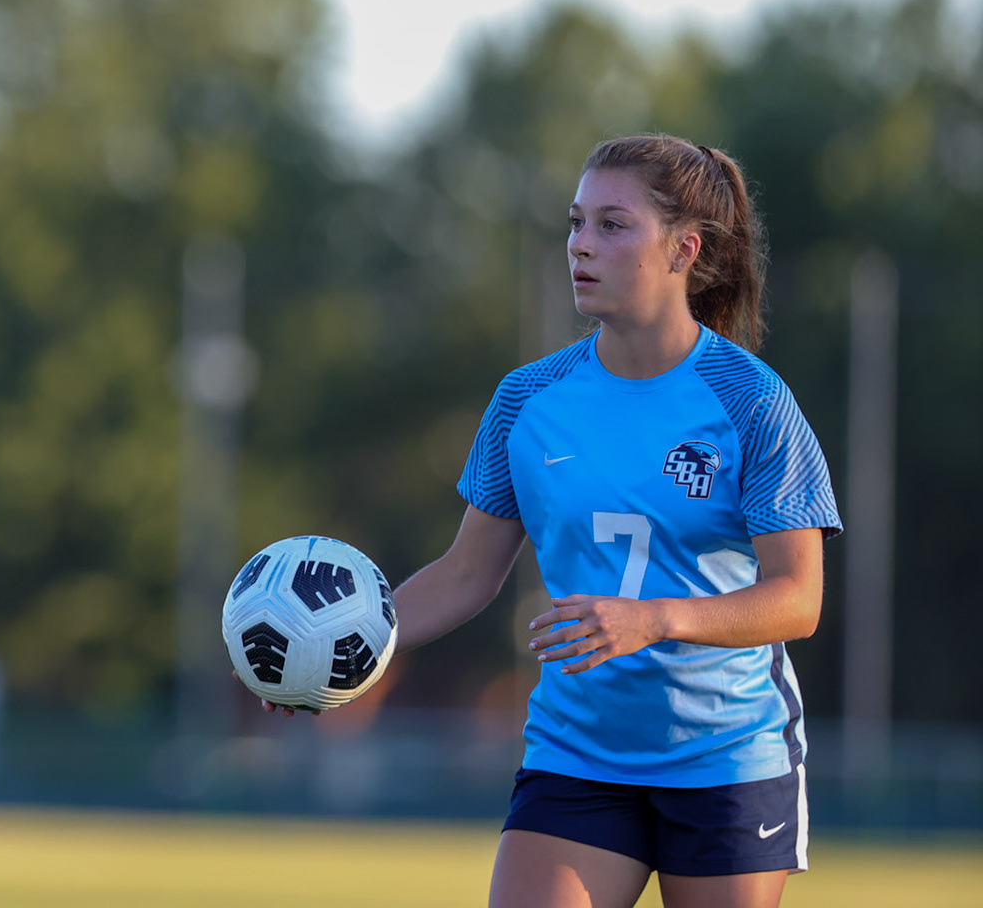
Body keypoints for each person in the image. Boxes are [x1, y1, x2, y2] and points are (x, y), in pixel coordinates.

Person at [262, 135, 839, 908]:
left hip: (727, 757)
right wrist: (335, 651)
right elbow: (465, 575)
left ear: (683, 249)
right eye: (575, 224)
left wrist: (654, 619)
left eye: (612, 225)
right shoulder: (527, 401)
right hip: (578, 755)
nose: (581, 246)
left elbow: (798, 599)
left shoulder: (753, 402)